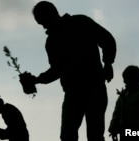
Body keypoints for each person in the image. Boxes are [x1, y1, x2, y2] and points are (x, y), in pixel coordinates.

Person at [25, 1, 116, 141]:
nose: (43, 26)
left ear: (52, 14)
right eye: (40, 24)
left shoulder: (80, 22)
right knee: (71, 136)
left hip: (92, 89)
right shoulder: (52, 41)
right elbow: (57, 70)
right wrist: (38, 79)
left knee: (93, 135)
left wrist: (108, 63)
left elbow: (107, 40)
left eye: (43, 21)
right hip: (75, 93)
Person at [108, 65, 139, 140]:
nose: (125, 82)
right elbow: (117, 114)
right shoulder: (123, 96)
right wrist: (113, 129)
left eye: (127, 79)